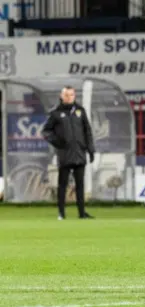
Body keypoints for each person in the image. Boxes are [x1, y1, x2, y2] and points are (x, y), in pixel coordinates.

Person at [42, 86, 95, 220]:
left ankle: (82, 213)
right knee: (62, 185)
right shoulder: (55, 113)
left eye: (71, 95)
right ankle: (61, 213)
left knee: (80, 185)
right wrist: (57, 142)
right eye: (66, 95)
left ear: (74, 96)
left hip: (79, 153)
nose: (69, 97)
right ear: (62, 96)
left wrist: (90, 149)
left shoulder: (80, 111)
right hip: (65, 154)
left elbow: (87, 131)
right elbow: (46, 131)